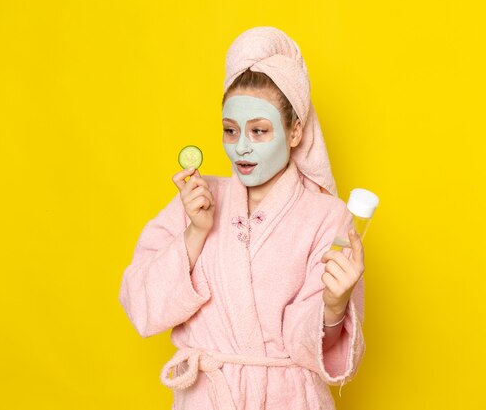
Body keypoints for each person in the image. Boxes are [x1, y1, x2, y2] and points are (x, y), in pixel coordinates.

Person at [118, 26, 366, 410]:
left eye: (259, 131)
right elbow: (140, 306)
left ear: (295, 131)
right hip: (206, 400)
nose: (242, 147)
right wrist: (194, 235)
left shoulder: (327, 217)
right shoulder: (195, 201)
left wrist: (334, 308)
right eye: (230, 131)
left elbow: (311, 347)